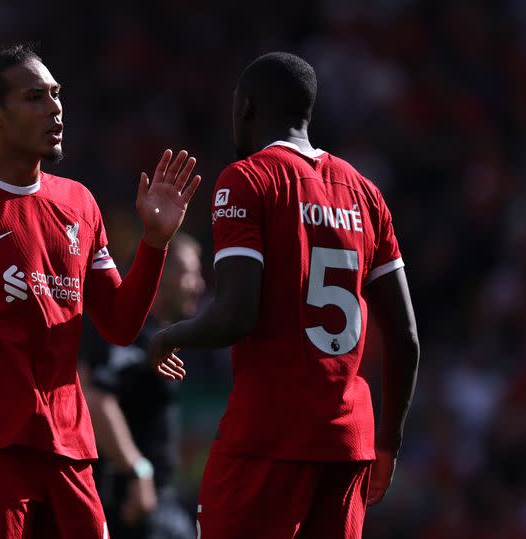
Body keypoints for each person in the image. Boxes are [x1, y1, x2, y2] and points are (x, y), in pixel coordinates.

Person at [0, 43, 201, 539]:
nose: (54, 108)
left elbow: (119, 324)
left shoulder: (78, 203)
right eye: (34, 97)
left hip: (70, 448)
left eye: (55, 95)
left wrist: (155, 244)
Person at [148, 52, 420, 539]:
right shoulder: (365, 193)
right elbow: (405, 336)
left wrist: (169, 336)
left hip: (268, 437)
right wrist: (389, 442)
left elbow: (236, 314)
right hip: (347, 442)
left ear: (246, 108)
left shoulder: (248, 179)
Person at [83, 234, 207, 539]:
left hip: (159, 500)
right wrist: (138, 471)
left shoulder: (159, 337)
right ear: (162, 273)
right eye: (190, 274)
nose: (200, 285)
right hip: (133, 504)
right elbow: (97, 400)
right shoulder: (133, 334)